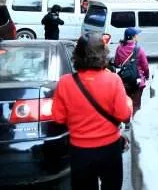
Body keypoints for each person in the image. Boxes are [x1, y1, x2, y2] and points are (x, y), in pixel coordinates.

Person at [52, 34, 133, 190]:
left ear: (77, 55)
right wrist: (128, 103)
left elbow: (58, 118)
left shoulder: (65, 83)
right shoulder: (113, 80)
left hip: (79, 151)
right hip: (109, 149)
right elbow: (123, 115)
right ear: (102, 54)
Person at [114, 27, 149, 116]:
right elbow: (145, 66)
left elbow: (117, 63)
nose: (137, 36)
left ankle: (127, 123)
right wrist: (147, 75)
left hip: (125, 80)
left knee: (126, 102)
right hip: (138, 81)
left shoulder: (119, 48)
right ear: (133, 37)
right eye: (136, 35)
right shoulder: (139, 50)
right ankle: (135, 123)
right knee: (136, 104)